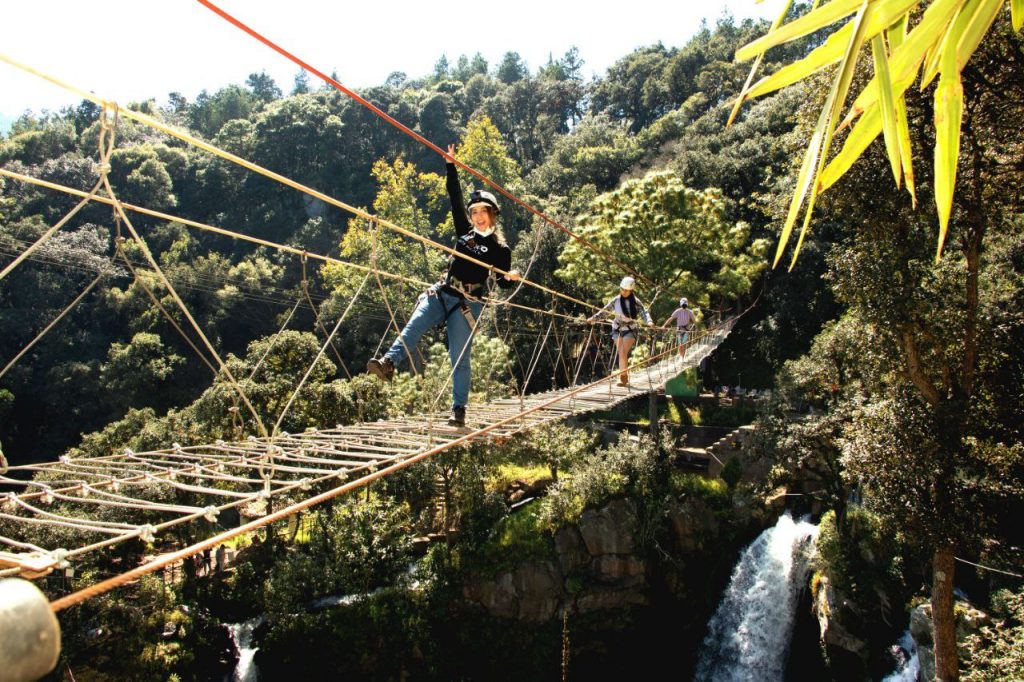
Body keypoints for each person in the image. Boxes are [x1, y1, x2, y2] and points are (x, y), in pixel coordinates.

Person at [367, 144, 521, 427]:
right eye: (474, 212)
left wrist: (509, 277)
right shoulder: (465, 232)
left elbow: (500, 281)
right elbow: (454, 197)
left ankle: (458, 409)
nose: (477, 216)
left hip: (468, 303)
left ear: (492, 214)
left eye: (483, 212)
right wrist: (450, 166)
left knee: (459, 358)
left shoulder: (500, 248)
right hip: (443, 292)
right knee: (414, 326)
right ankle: (389, 363)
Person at [588, 276, 652, 386]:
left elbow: (644, 312)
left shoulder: (636, 302)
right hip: (617, 328)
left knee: (622, 352)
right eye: (621, 289)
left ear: (631, 290)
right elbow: (605, 311)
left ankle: (623, 378)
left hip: (630, 329)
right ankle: (624, 377)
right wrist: (594, 318)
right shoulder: (616, 300)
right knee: (621, 353)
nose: (623, 291)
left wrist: (649, 321)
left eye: (625, 290)